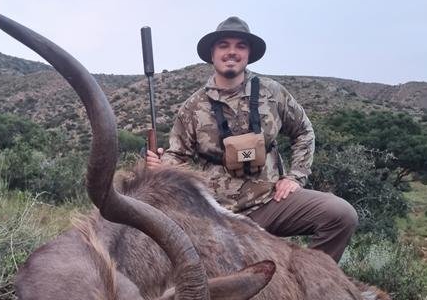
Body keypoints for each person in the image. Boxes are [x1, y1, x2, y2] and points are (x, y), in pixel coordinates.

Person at [146, 16, 357, 262]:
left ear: (248, 54)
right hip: (217, 214)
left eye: (240, 46)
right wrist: (161, 166)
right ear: (212, 54)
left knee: (341, 215)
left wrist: (295, 177)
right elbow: (177, 154)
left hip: (272, 202)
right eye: (224, 45)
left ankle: (312, 282)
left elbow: (303, 132)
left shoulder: (273, 93)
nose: (232, 52)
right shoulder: (192, 107)